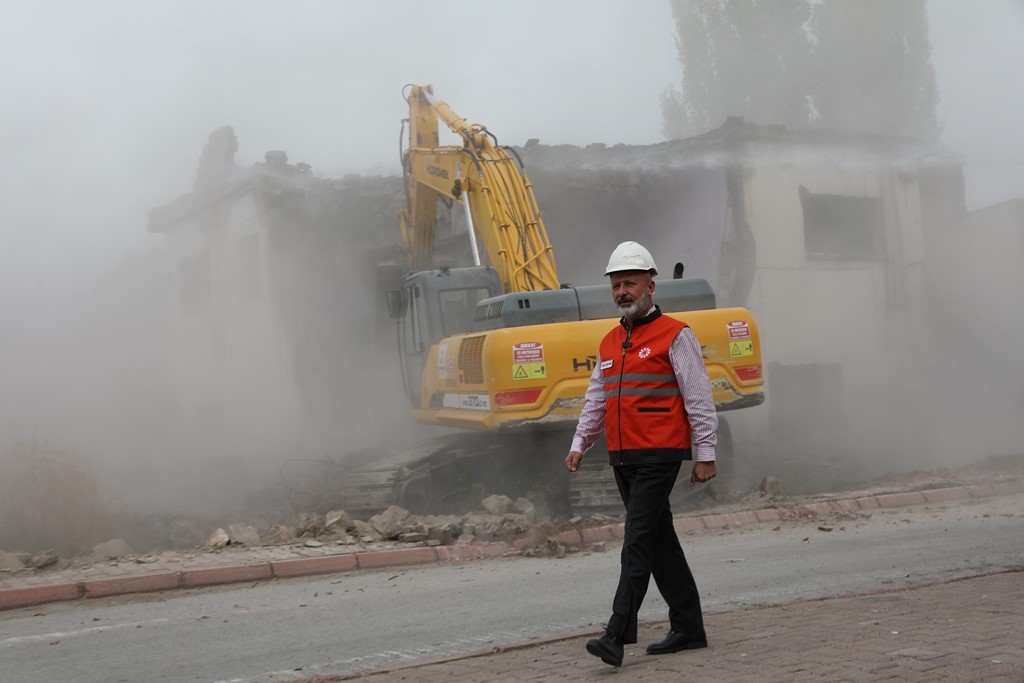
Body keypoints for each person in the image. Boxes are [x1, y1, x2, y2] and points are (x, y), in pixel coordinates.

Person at [565, 240, 718, 668]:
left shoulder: (676, 334)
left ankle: (616, 634)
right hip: (624, 456)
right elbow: (596, 399)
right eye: (616, 286)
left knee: (636, 542)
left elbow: (699, 398)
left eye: (630, 283)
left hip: (659, 453)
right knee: (658, 540)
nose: (622, 292)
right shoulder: (611, 341)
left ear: (651, 285)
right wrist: (580, 444)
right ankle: (689, 626)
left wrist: (705, 453)